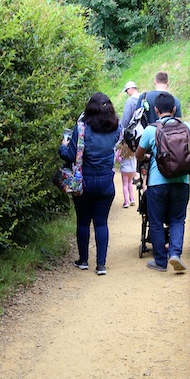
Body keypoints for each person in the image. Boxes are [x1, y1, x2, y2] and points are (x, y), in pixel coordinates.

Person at [60, 92, 122, 276]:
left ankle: (83, 260)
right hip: (105, 181)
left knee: (83, 221)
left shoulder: (82, 128)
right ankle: (101, 265)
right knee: (102, 223)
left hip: (84, 181)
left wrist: (63, 145)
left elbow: (70, 155)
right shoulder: (116, 127)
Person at [134, 92, 190, 274]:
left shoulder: (151, 130)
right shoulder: (187, 127)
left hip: (157, 183)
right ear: (175, 109)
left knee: (156, 221)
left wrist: (147, 155)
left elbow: (138, 155)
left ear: (156, 110)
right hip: (182, 181)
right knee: (177, 220)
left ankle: (160, 261)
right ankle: (175, 254)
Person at [117, 81, 140, 208]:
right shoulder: (143, 98)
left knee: (125, 183)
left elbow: (125, 120)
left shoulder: (130, 101)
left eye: (127, 91)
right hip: (141, 135)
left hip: (131, 134)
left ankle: (127, 200)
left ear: (131, 89)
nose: (127, 93)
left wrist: (122, 134)